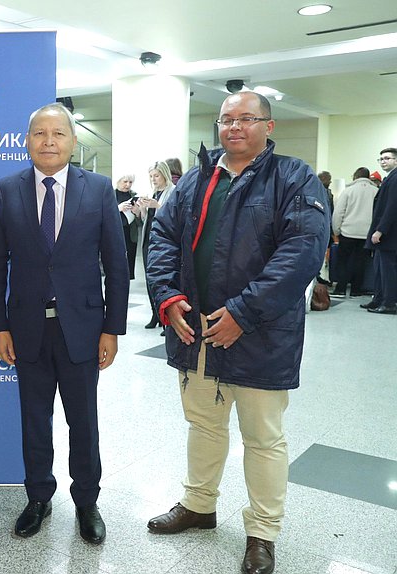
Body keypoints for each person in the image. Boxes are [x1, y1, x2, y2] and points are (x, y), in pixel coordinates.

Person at [145, 92, 330, 574]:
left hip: (261, 334)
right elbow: (161, 237)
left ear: (269, 126)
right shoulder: (194, 179)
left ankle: (262, 532)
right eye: (227, 119)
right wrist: (166, 296)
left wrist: (243, 313)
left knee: (263, 438)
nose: (235, 127)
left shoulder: (294, 178)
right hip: (196, 330)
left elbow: (302, 253)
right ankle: (199, 504)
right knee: (203, 424)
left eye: (247, 119)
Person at [0, 102, 129, 545]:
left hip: (83, 327)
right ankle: (38, 498)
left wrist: (112, 327)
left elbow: (116, 264)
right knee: (34, 419)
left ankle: (87, 501)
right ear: (26, 141)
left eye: (58, 134)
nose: (49, 141)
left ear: (73, 141)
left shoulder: (99, 189)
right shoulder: (7, 189)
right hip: (26, 327)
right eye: (39, 134)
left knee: (83, 420)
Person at [133, 160, 174, 331]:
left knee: (163, 278)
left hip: (164, 241)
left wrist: (157, 206)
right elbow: (146, 219)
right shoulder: (154, 193)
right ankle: (154, 314)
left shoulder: (172, 191)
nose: (154, 179)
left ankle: (167, 319)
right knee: (150, 278)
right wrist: (141, 209)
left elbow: (173, 215)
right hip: (148, 240)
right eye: (151, 177)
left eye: (156, 176)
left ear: (164, 174)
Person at [361, 148, 397, 314]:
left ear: (396, 161)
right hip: (385, 235)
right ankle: (378, 299)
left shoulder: (395, 179)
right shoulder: (389, 178)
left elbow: (391, 208)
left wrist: (380, 230)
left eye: (387, 158)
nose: (383, 161)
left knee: (387, 270)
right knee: (379, 269)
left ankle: (388, 302)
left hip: (389, 236)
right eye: (381, 159)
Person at [332, 167, 377, 297]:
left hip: (347, 232)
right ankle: (356, 290)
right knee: (360, 262)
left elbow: (339, 213)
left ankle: (340, 289)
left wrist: (336, 230)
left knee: (343, 262)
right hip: (367, 234)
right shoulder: (376, 192)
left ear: (355, 176)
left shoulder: (348, 191)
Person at [115, 174, 139, 279]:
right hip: (115, 231)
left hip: (130, 231)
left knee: (129, 260)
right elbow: (103, 212)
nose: (128, 185)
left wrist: (137, 211)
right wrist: (118, 208)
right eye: (125, 182)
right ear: (118, 181)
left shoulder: (134, 195)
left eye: (130, 182)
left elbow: (140, 218)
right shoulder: (110, 194)